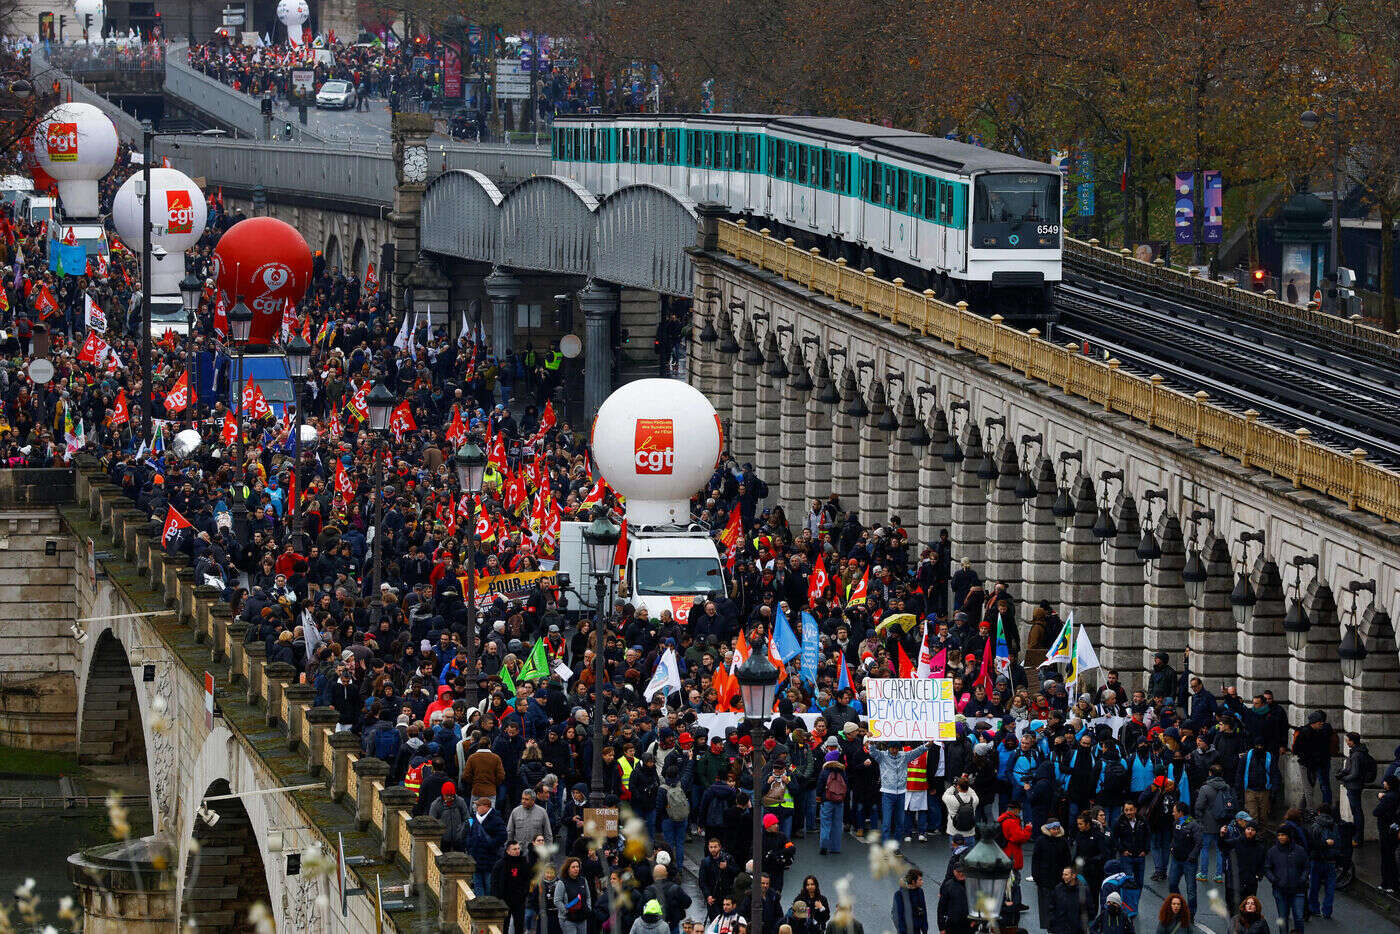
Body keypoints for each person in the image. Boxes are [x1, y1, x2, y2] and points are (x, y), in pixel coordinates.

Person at [1264, 827, 1308, 934]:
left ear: (1289, 836)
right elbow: (1267, 868)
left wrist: (1302, 879)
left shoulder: (1300, 851)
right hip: (1280, 890)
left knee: (1299, 918)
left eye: (1283, 835)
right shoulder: (1272, 851)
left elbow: (1306, 867)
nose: (1280, 837)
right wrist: (1275, 880)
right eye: (1279, 835)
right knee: (1283, 918)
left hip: (1298, 890)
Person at [463, 795, 507, 896]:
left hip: (490, 860)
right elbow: (469, 834)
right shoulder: (475, 819)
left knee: (488, 885)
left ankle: (488, 907)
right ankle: (479, 907)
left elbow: (503, 836)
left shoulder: (496, 820)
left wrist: (490, 844)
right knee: (478, 885)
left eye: (478, 805)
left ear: (486, 807)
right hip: (476, 859)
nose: (476, 807)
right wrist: (470, 845)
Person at [1033, 821, 1073, 926]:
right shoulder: (1040, 841)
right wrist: (1036, 877)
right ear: (1048, 829)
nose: (1056, 831)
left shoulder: (1063, 842)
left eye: (1057, 829)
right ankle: (1049, 927)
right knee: (1046, 907)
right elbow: (1036, 860)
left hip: (1060, 879)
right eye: (1053, 829)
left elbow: (1067, 860)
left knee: (1060, 906)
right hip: (1044, 879)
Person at [1337, 731, 1374, 843]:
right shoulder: (1357, 752)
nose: (1346, 742)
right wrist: (1342, 773)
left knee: (1357, 812)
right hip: (1355, 785)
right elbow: (1351, 769)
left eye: (1347, 740)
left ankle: (1358, 838)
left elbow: (1355, 773)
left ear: (1352, 741)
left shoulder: (1357, 755)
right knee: (1356, 811)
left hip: (1354, 786)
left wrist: (1344, 778)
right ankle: (1357, 837)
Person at [1306, 802, 1340, 919]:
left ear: (1318, 812)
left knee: (1314, 886)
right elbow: (1338, 842)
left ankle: (1314, 908)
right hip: (1331, 860)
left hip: (1317, 859)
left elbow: (1311, 844)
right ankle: (1327, 911)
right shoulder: (1334, 825)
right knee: (1330, 888)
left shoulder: (1315, 825)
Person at [1166, 801, 1200, 917]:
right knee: (1172, 884)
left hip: (1188, 862)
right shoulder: (1176, 822)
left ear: (1180, 813)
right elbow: (1174, 838)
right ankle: (1179, 907)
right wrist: (1171, 847)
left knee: (1191, 890)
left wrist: (1192, 857)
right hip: (1176, 860)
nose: (1172, 813)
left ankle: (1190, 914)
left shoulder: (1194, 825)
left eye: (1174, 811)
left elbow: (1199, 843)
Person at [1375, 775, 1400, 892]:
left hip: (1386, 830)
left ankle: (1388, 883)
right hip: (1393, 828)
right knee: (1390, 856)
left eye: (1385, 782)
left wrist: (1381, 799)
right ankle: (1390, 883)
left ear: (1389, 784)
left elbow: (1376, 812)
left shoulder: (1388, 798)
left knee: (1387, 858)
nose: (1383, 783)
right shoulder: (1395, 795)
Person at [936, 859, 972, 934]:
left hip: (970, 926)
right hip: (952, 927)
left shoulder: (972, 885)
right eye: (959, 872)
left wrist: (976, 921)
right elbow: (941, 909)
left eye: (963, 871)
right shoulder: (948, 886)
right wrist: (941, 928)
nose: (961, 874)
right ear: (954, 872)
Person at [1047, 866, 1087, 934]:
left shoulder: (1083, 890)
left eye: (1066, 874)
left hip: (1077, 929)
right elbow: (1052, 908)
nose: (1063, 877)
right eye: (1063, 874)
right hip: (1060, 928)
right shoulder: (1058, 889)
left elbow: (1089, 910)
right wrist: (1052, 926)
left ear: (1073, 875)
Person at [891, 868, 928, 934]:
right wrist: (902, 931)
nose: (922, 882)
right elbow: (897, 915)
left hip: (917, 930)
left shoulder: (920, 892)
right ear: (913, 881)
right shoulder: (899, 895)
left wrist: (925, 929)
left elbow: (923, 910)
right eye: (920, 880)